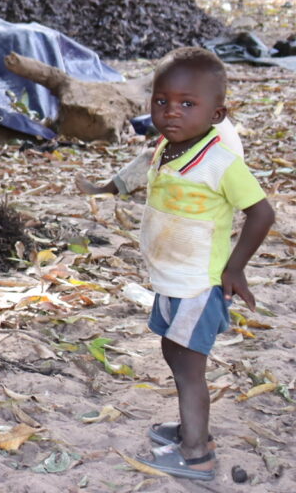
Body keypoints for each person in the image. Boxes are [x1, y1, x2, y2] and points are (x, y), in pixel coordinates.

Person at [77, 48, 274, 482]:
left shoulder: (221, 162)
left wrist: (235, 268)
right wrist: (108, 187)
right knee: (174, 352)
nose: (171, 112)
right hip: (171, 278)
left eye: (188, 104)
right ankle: (191, 429)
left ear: (217, 112)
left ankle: (196, 455)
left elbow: (262, 213)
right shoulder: (169, 146)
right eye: (162, 101)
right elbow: (141, 169)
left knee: (189, 369)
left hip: (197, 284)